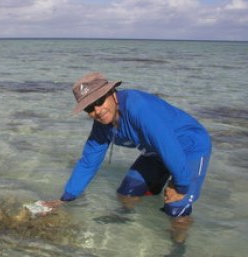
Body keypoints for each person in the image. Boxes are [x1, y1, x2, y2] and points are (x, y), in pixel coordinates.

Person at [43, 72, 211, 243]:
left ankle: (178, 247)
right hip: (157, 152)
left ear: (112, 93)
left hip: (190, 147)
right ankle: (126, 217)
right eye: (89, 108)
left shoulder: (138, 107)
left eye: (99, 101)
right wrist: (65, 199)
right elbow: (88, 162)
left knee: (176, 208)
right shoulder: (102, 126)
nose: (97, 111)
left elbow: (167, 144)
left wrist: (181, 185)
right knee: (126, 193)